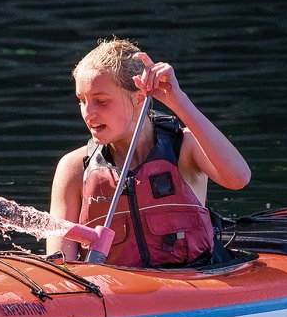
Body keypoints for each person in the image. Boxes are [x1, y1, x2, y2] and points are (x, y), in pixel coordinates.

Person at [47, 38, 251, 267]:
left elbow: (239, 178)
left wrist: (177, 99)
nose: (88, 113)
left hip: (192, 287)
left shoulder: (185, 146)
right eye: (82, 101)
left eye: (101, 101)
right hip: (115, 294)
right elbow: (59, 262)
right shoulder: (74, 168)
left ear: (139, 99)